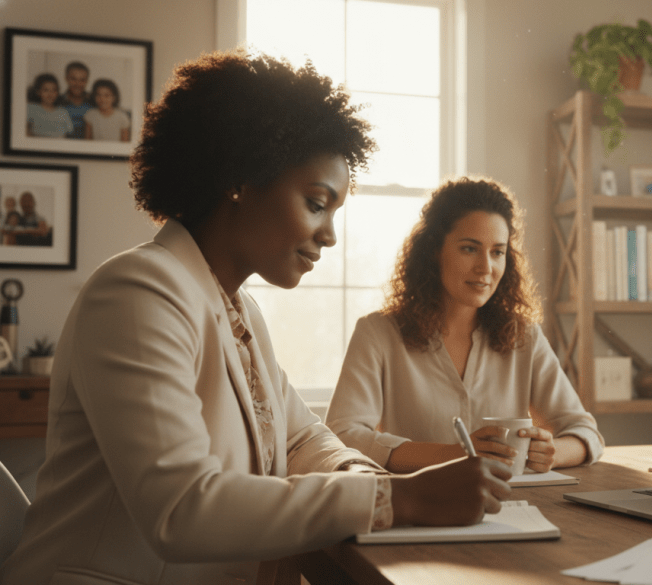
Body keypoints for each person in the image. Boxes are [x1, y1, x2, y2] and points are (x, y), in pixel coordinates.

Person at [0, 50, 511, 585]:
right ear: (240, 180)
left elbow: (299, 440)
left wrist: (367, 477)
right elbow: (180, 509)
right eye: (317, 203)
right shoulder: (138, 291)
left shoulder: (239, 311)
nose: (330, 234)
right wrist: (395, 497)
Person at [326, 177, 604, 474]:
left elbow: (585, 433)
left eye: (498, 252)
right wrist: (455, 454)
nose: (486, 268)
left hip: (512, 506)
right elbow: (343, 436)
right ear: (434, 250)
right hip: (419, 507)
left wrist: (553, 453)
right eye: (470, 249)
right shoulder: (378, 333)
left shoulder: (525, 336)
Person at [26, 73, 73, 138]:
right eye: (46, 90)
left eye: (54, 90)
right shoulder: (31, 108)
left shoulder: (63, 112)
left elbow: (67, 135)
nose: (50, 94)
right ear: (38, 92)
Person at [57, 61, 92, 139]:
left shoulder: (94, 102)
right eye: (73, 79)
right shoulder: (57, 102)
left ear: (87, 81)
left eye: (82, 80)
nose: (77, 84)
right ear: (66, 79)